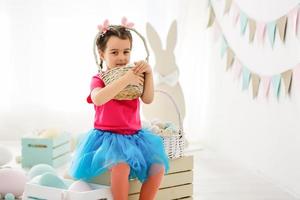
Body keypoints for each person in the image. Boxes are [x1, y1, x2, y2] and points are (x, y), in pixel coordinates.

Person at [69, 19, 169, 200]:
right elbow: (98, 98)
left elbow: (148, 98)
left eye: (126, 51)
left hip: (135, 137)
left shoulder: (135, 76)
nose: (122, 57)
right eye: (114, 52)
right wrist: (126, 79)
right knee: (121, 166)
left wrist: (148, 74)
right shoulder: (99, 78)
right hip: (107, 138)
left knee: (158, 166)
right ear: (102, 53)